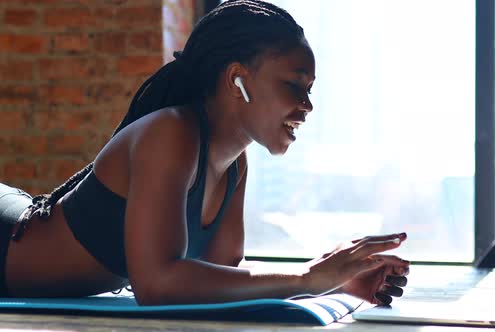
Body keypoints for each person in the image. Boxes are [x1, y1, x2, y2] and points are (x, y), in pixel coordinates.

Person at [0, 0, 409, 305]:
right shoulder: (171, 132)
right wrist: (306, 277)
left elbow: (219, 283)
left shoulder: (234, 163)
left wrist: (334, 281)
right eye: (294, 85)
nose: (307, 105)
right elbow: (158, 285)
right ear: (237, 80)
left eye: (310, 90)